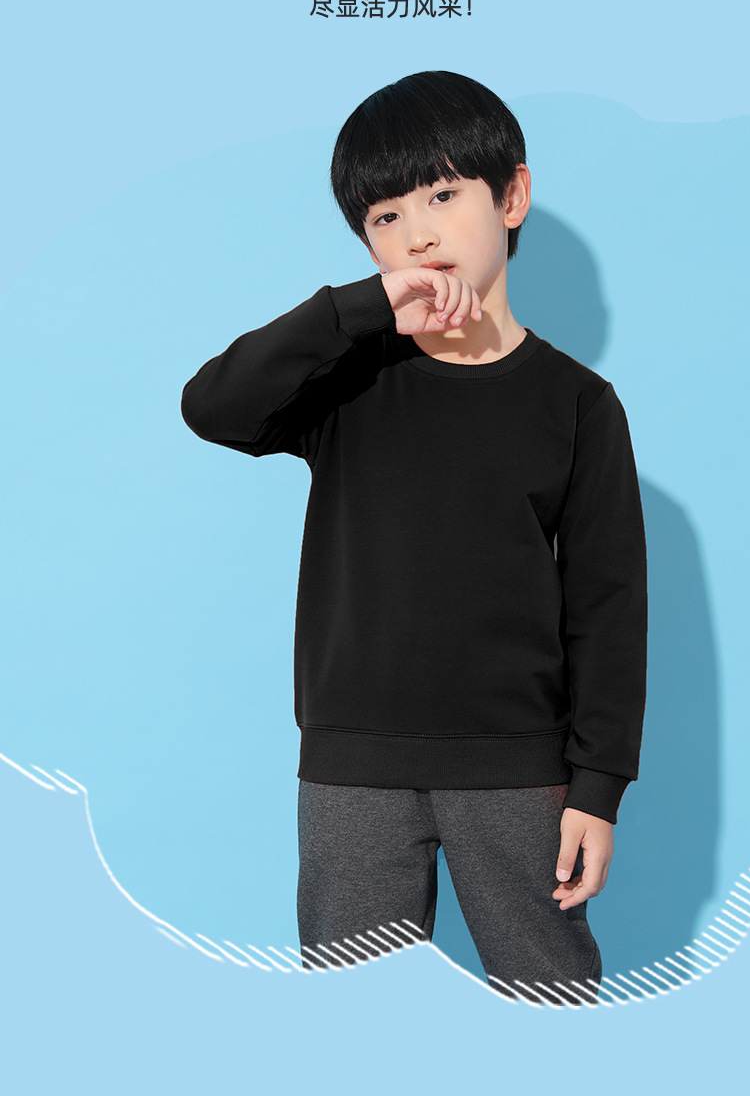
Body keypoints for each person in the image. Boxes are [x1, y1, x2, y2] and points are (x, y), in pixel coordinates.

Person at [180, 71, 648, 1005]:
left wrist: (598, 787)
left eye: (442, 195)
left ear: (511, 195)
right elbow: (212, 406)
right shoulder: (348, 380)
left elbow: (608, 606)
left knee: (552, 1004)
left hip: (517, 768)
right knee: (351, 1020)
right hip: (354, 768)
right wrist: (359, 310)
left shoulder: (577, 404)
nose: (419, 233)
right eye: (386, 216)